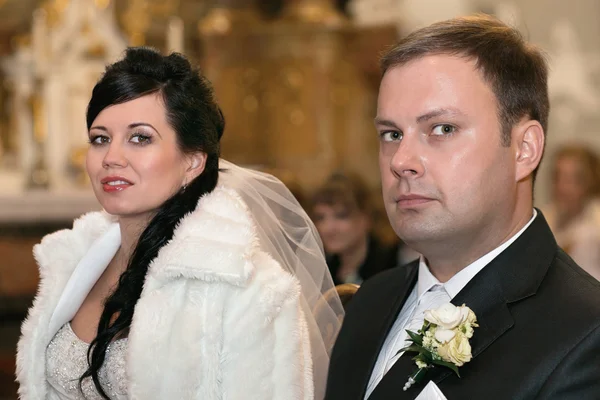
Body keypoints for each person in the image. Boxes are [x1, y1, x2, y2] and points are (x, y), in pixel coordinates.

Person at [16, 47, 343, 400]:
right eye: (100, 138)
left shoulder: (251, 291)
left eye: (140, 137)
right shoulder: (76, 263)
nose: (111, 157)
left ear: (192, 162)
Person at [325, 14, 600, 400]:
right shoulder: (369, 302)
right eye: (391, 134)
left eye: (442, 129)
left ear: (524, 149)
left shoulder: (585, 335)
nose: (400, 160)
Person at [310, 172, 410, 285]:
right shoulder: (323, 270)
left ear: (365, 217)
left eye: (341, 216)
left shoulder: (393, 263)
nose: (328, 228)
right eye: (320, 218)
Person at [543, 144, 600, 280]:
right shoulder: (544, 218)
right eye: (558, 177)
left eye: (572, 180)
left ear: (590, 182)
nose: (562, 187)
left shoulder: (596, 224)